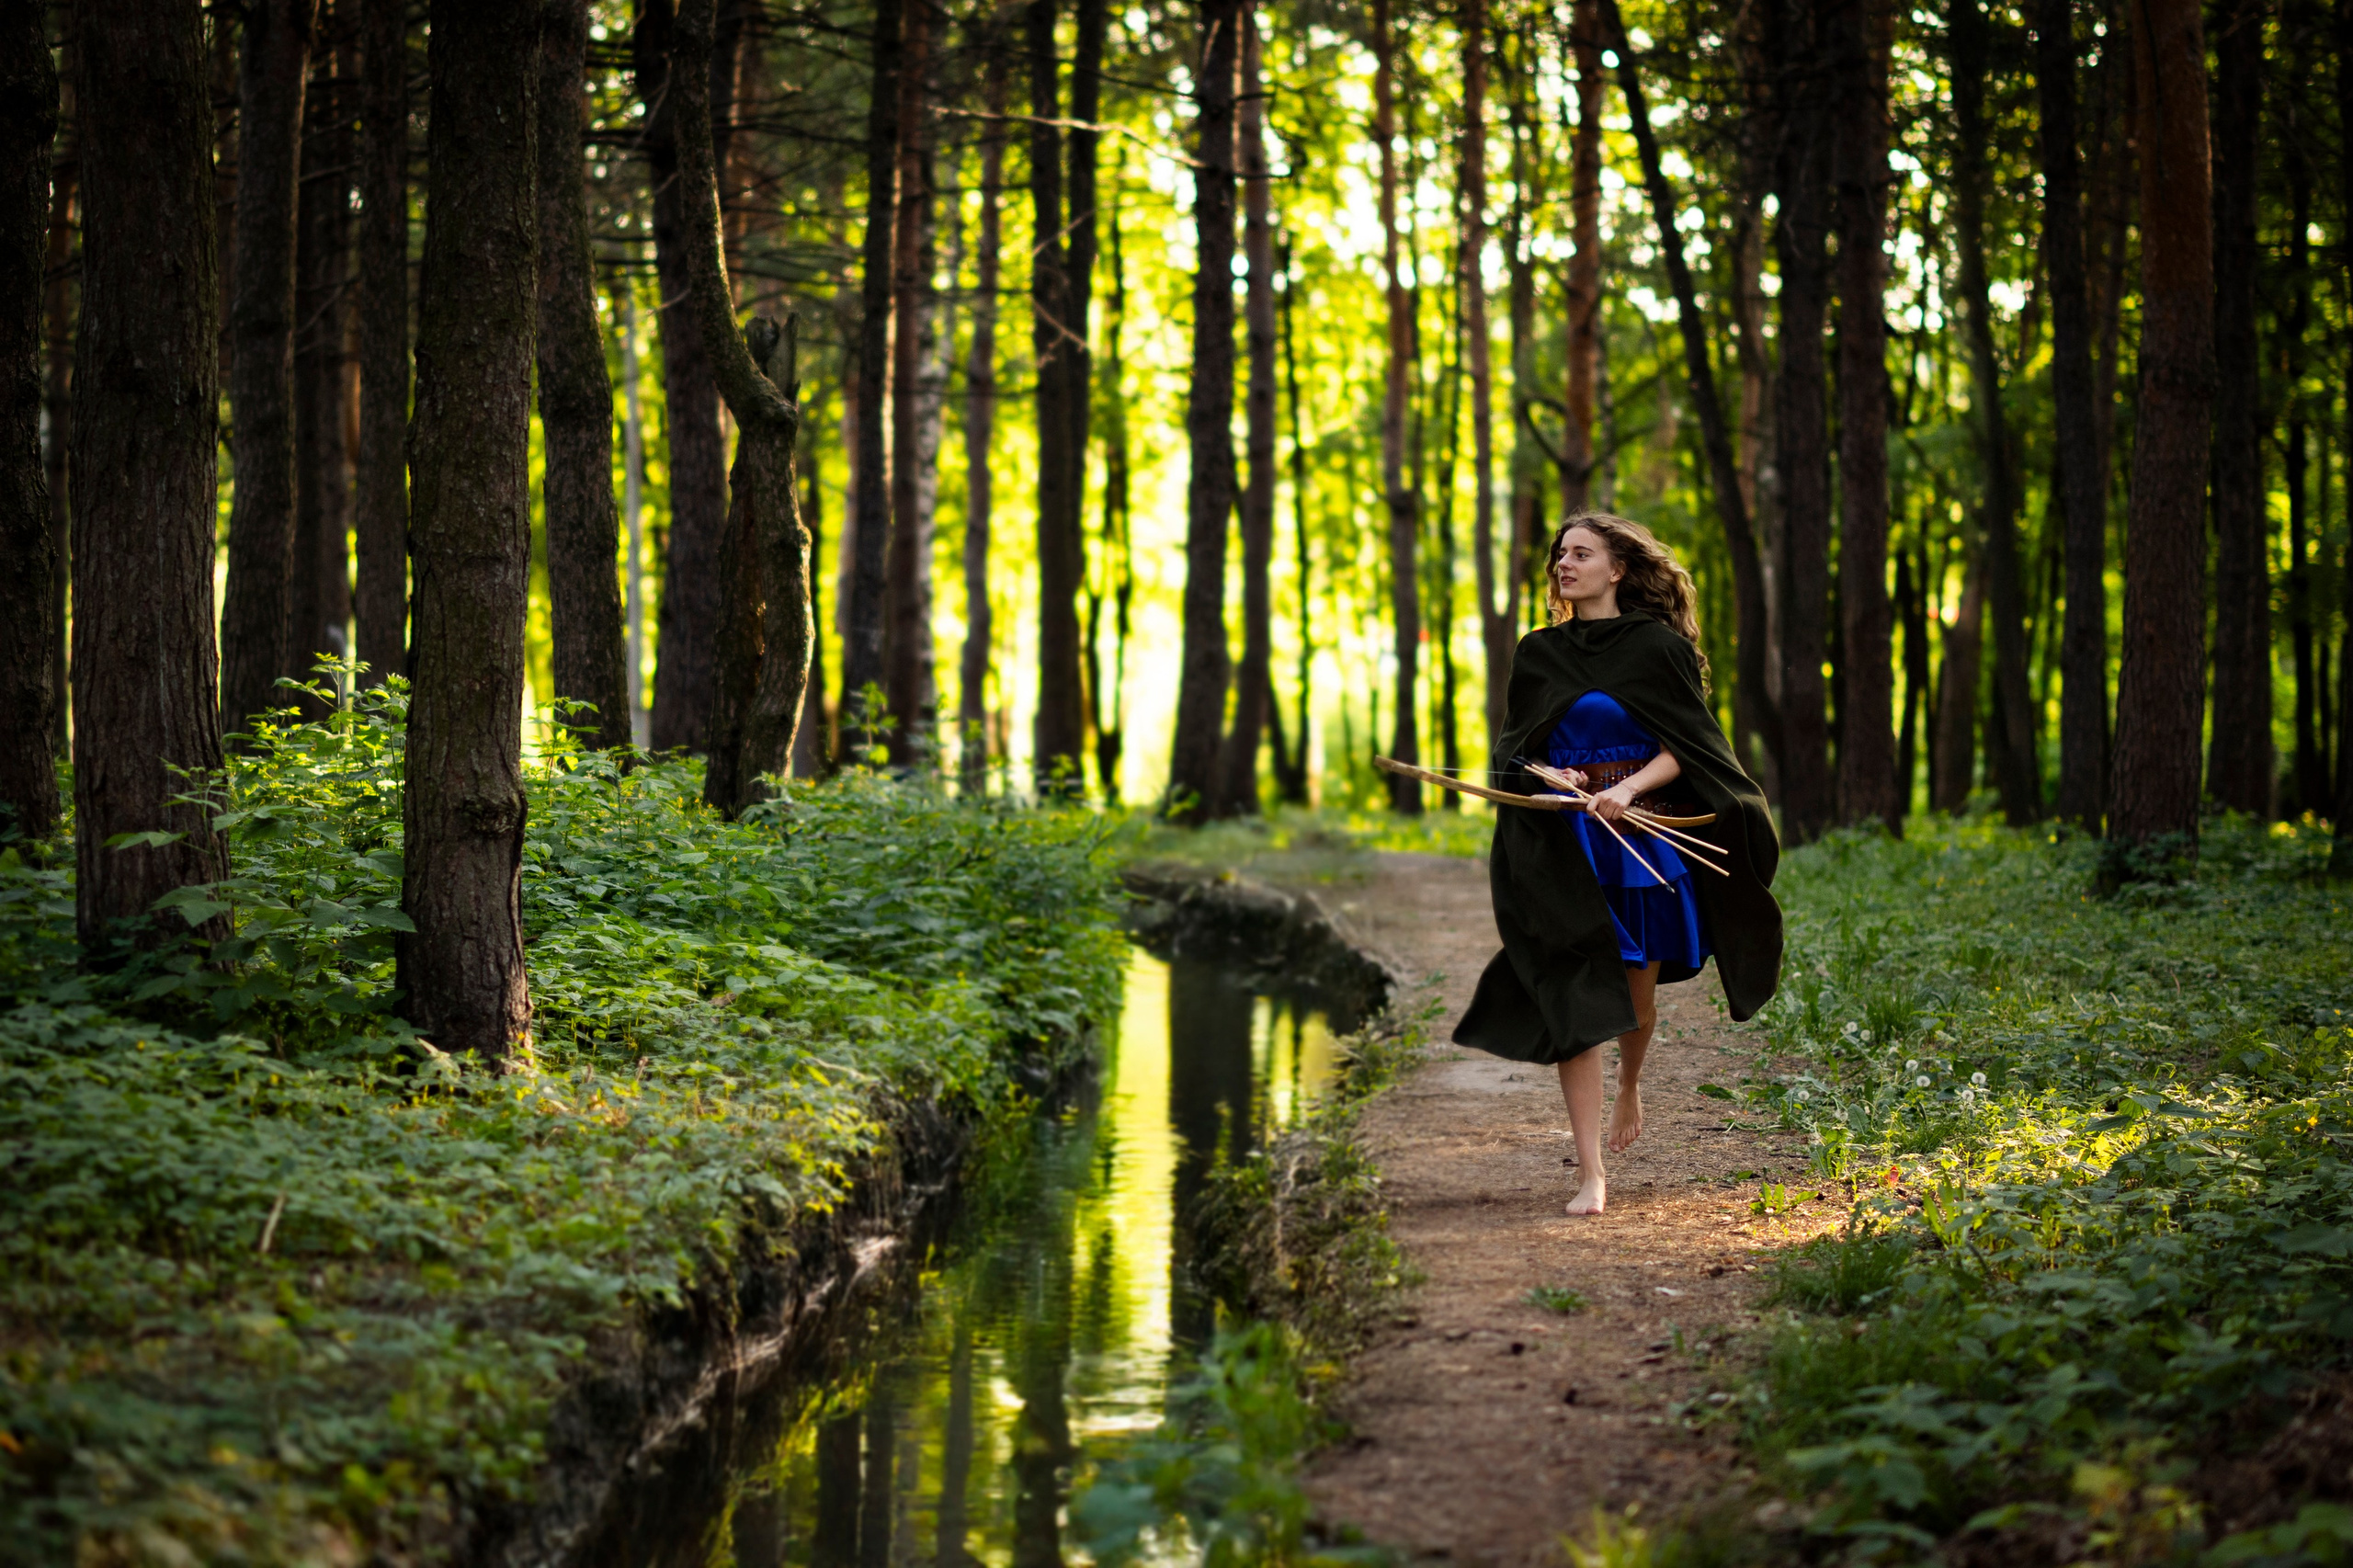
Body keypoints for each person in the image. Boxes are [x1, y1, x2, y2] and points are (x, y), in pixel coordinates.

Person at [1455, 513, 1782, 1215]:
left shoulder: (1658, 649)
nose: (1565, 564)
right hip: (1566, 848)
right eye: (1560, 554)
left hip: (1641, 842)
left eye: (1582, 553)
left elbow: (1688, 747)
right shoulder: (1539, 652)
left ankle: (1630, 1084)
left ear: (1618, 569)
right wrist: (1551, 778)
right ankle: (1592, 1174)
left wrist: (1627, 789)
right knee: (1576, 1000)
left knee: (1636, 998)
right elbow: (1520, 750)